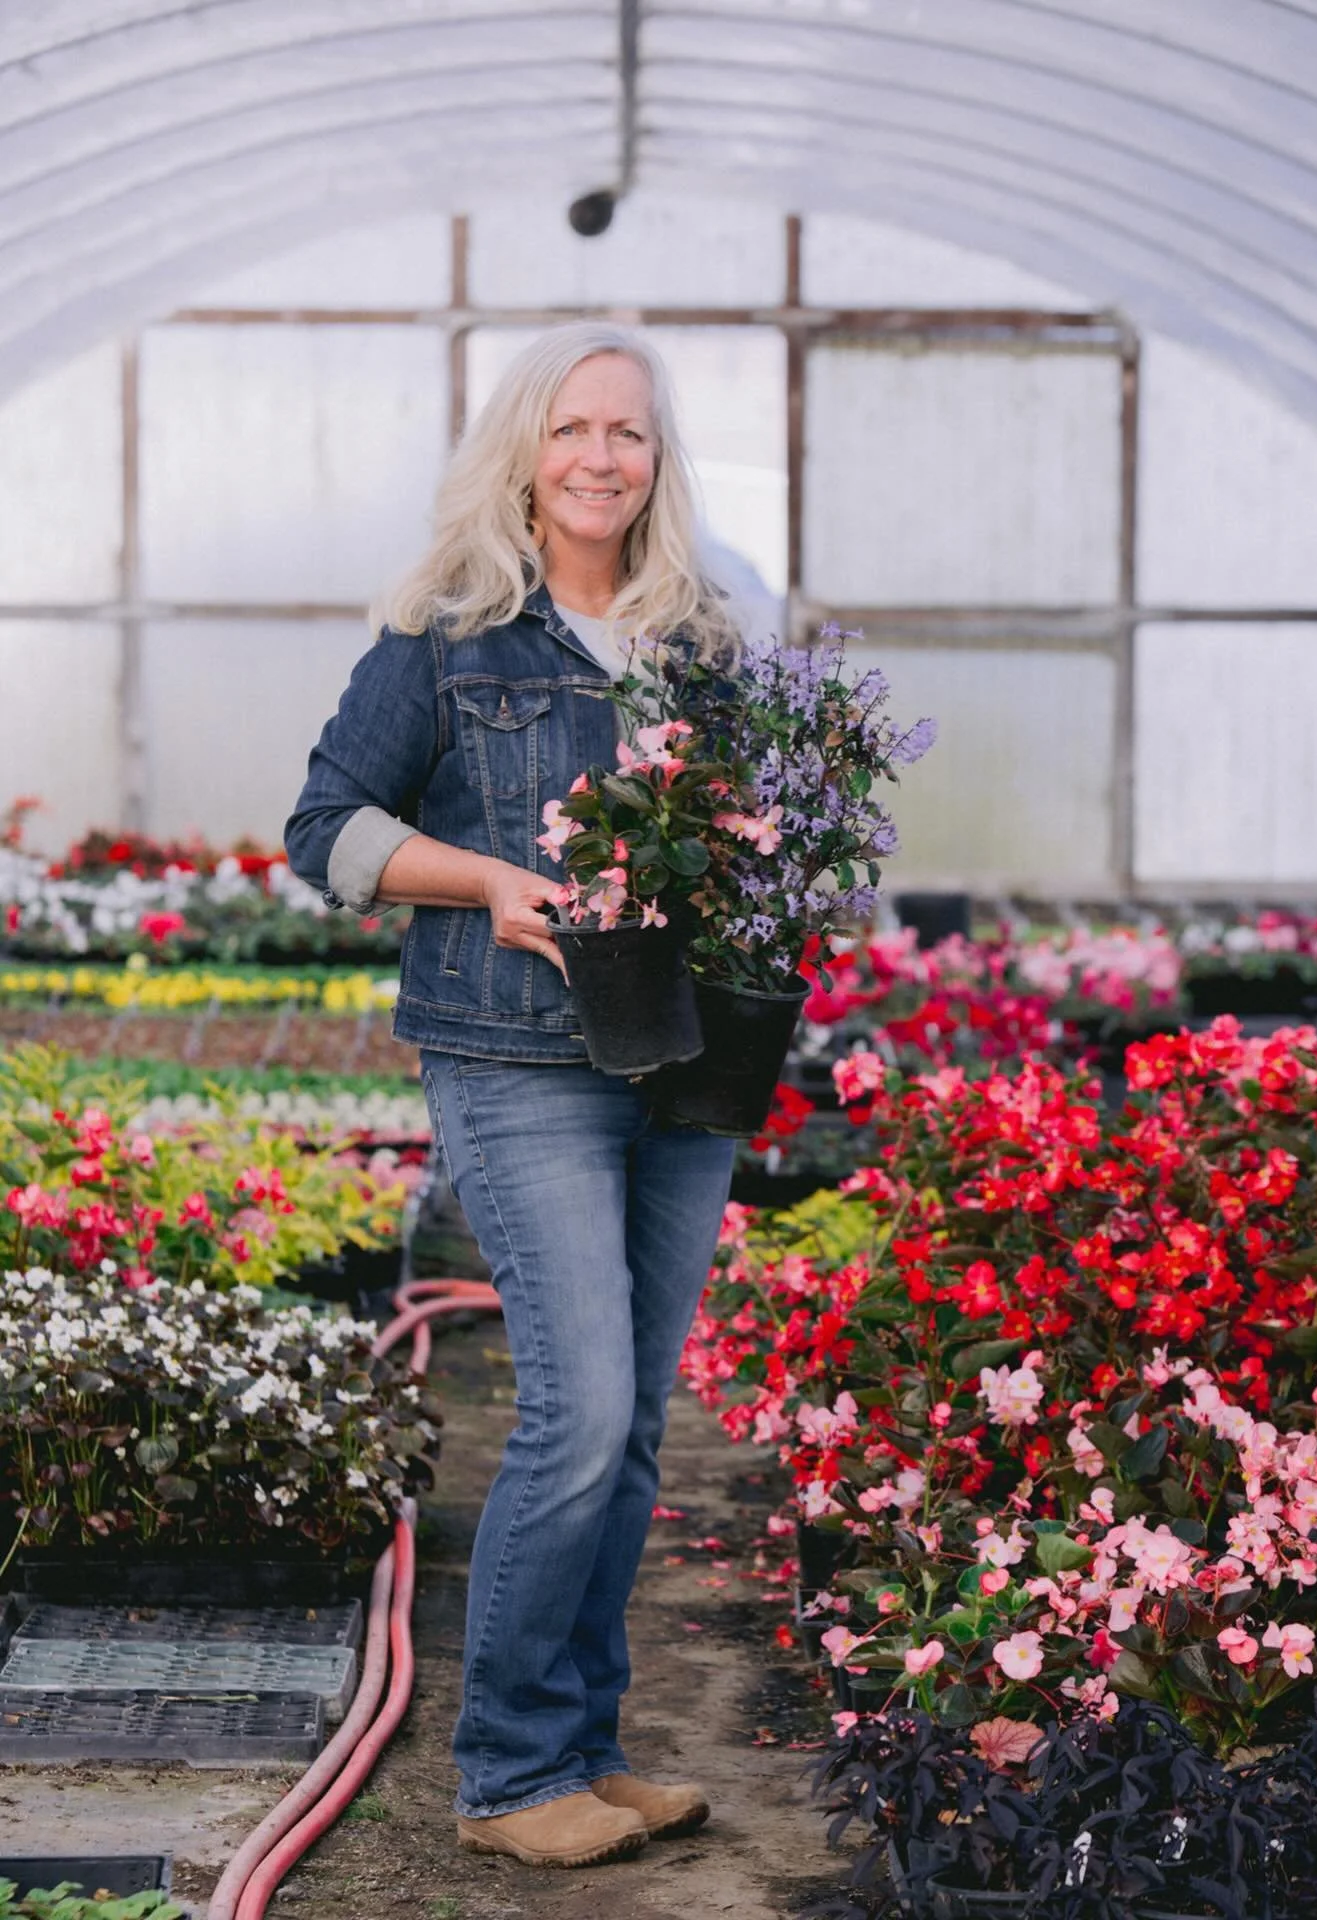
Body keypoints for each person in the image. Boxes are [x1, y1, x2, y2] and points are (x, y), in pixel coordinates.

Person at [285, 323, 742, 1870]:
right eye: (574, 430)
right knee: (578, 1403)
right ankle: (505, 1776)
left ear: (658, 459)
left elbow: (749, 848)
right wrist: (484, 876)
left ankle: (585, 1748)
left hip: (683, 1062)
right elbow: (325, 830)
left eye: (629, 432)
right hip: (516, 1055)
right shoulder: (450, 631)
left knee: (633, 1429)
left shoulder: (702, 640)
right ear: (524, 451)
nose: (602, 457)